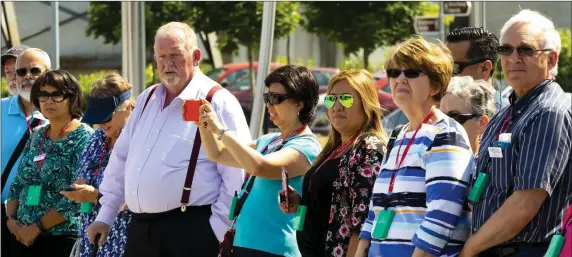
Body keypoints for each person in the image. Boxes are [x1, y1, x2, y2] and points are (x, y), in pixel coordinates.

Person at [87, 21, 251, 257]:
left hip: (191, 232)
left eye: (175, 54)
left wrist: (216, 231)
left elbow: (238, 174)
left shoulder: (217, 101)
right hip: (141, 231)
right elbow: (121, 160)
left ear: (195, 56)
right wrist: (106, 216)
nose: (167, 63)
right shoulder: (147, 99)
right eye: (161, 56)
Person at [461, 10, 571, 257]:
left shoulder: (549, 111)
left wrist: (469, 249)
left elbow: (524, 204)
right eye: (506, 50)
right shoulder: (508, 111)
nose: (513, 58)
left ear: (552, 60)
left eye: (525, 50)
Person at [357, 36, 473, 257]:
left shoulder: (446, 134)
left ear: (436, 85)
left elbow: (441, 217)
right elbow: (376, 209)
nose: (400, 78)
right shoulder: (397, 136)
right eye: (393, 72)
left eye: (411, 72)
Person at [196, 65, 322, 257]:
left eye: (276, 98)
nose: (269, 105)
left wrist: (220, 130)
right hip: (243, 246)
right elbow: (218, 154)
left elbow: (260, 167)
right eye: (267, 98)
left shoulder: (307, 146)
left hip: (275, 250)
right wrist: (204, 124)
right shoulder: (268, 140)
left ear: (300, 104)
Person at [281, 69, 387, 257]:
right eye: (331, 100)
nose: (337, 106)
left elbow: (361, 224)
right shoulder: (334, 148)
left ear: (366, 103)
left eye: (346, 99)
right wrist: (302, 201)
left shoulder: (368, 149)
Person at [6, 70, 94, 256]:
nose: (48, 100)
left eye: (56, 94)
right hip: (21, 235)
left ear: (72, 98)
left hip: (61, 238)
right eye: (43, 95)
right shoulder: (37, 134)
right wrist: (11, 221)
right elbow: (18, 182)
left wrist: (37, 227)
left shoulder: (84, 137)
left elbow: (75, 197)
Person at [60, 72, 135, 257]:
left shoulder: (140, 140)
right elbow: (83, 174)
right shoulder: (97, 138)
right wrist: (78, 190)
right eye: (97, 118)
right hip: (92, 237)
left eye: (107, 117)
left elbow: (142, 195)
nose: (101, 124)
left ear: (129, 107)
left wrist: (97, 196)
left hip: (126, 237)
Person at [1, 46, 48, 256]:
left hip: (45, 221)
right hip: (4, 216)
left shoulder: (65, 118)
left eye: (35, 71)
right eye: (20, 72)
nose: (27, 77)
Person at [446, 27, 509, 111]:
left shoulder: (506, 117)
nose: (446, 74)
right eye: (444, 67)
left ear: (485, 68)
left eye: (455, 67)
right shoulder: (439, 110)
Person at [440, 76, 496, 156]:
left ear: (482, 123)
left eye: (454, 118)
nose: (443, 125)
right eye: (439, 117)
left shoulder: (492, 165)